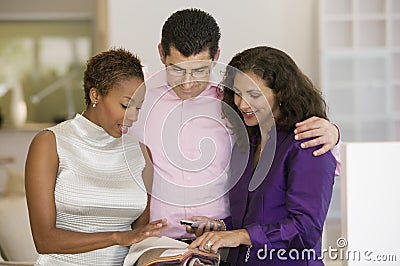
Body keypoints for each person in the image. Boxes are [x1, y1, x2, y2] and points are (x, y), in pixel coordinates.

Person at [133, 8, 339, 241]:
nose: (188, 83)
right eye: (177, 70)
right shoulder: (137, 98)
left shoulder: (234, 101)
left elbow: (291, 137)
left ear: (216, 56)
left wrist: (332, 134)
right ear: (161, 53)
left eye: (199, 71)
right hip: (158, 242)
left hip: (226, 242)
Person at [188, 46, 336, 265]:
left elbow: (306, 230)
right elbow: (257, 217)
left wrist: (239, 236)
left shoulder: (306, 145)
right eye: (237, 93)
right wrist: (221, 227)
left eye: (254, 94)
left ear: (282, 93)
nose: (240, 104)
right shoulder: (248, 144)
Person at [25, 48, 167, 266]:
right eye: (126, 105)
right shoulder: (50, 144)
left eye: (138, 107)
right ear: (95, 95)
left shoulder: (141, 154)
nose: (133, 117)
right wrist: (116, 237)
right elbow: (45, 240)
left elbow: (138, 238)